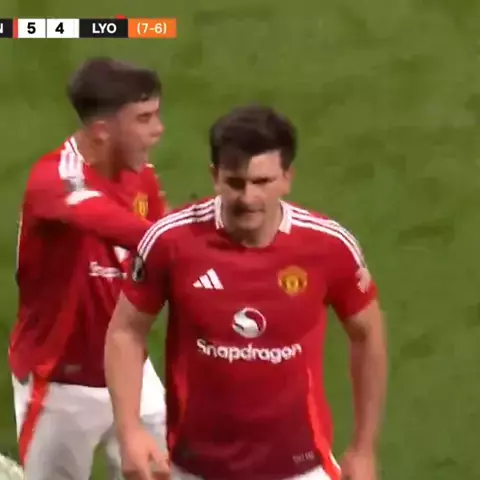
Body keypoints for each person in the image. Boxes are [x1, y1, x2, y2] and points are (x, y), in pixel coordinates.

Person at [105, 105, 388, 480]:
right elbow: (126, 331)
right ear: (215, 176)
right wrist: (129, 432)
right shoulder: (171, 240)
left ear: (287, 178)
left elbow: (367, 335)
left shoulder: (329, 246)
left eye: (262, 182)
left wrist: (363, 448)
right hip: (193, 467)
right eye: (235, 182)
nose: (248, 198)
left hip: (302, 468)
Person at [9, 57, 169, 480]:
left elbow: (160, 243)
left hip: (131, 372)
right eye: (144, 118)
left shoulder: (141, 176)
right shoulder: (55, 179)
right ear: (102, 130)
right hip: (60, 382)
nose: (158, 129)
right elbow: (124, 227)